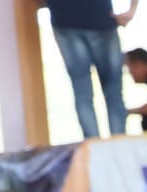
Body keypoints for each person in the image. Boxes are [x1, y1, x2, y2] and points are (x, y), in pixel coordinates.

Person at [41, 0, 136, 139]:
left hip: (67, 20)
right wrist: (132, 9)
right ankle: (117, 142)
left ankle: (94, 144)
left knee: (83, 92)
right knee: (112, 91)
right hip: (97, 20)